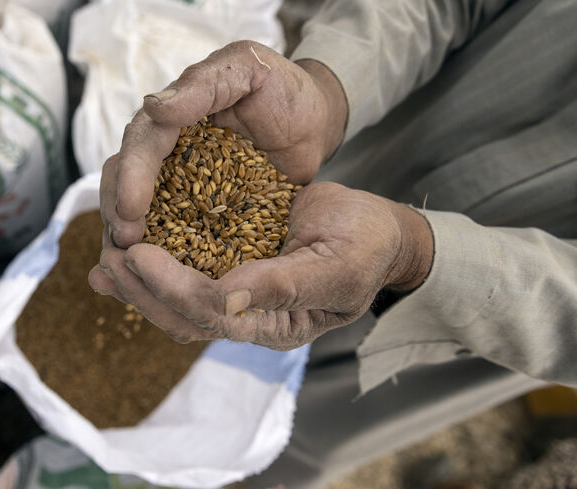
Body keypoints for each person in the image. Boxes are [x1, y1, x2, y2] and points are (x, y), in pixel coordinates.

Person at [88, 0, 577, 487]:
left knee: (287, 433)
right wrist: (329, 89)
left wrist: (414, 254)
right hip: (363, 138)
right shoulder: (273, 170)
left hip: (499, 321)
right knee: (196, 310)